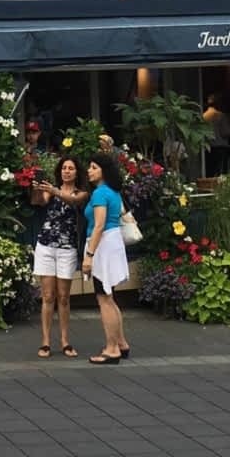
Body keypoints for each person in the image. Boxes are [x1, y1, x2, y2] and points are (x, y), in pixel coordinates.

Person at [32, 155, 87, 358]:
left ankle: (65, 341)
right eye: (63, 167)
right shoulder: (51, 190)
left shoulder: (81, 193)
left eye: (71, 168)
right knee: (47, 296)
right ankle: (45, 341)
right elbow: (38, 202)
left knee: (63, 297)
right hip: (46, 245)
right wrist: (37, 188)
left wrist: (54, 191)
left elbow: (73, 201)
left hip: (67, 248)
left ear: (76, 172)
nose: (66, 171)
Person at [80, 152, 130, 365]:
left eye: (93, 167)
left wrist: (89, 255)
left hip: (102, 245)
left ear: (103, 170)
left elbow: (99, 225)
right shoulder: (114, 192)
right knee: (110, 296)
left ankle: (111, 349)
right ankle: (121, 343)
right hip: (114, 242)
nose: (89, 171)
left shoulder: (100, 193)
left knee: (104, 298)